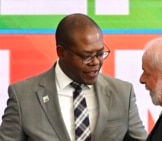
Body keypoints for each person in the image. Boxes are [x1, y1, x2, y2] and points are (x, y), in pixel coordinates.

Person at [0, 13, 147, 141]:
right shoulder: (23, 96)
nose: (96, 62)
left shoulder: (122, 93)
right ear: (61, 52)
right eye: (87, 56)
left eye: (100, 54)